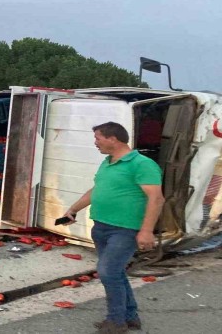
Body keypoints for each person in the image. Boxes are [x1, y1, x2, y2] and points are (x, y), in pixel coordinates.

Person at [62, 122, 164, 334]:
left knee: (108, 272)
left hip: (125, 230)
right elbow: (96, 189)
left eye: (98, 138)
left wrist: (146, 230)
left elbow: (156, 198)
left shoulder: (142, 164)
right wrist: (73, 209)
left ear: (113, 139)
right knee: (115, 272)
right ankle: (130, 317)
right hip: (101, 226)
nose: (95, 143)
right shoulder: (107, 162)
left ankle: (116, 322)